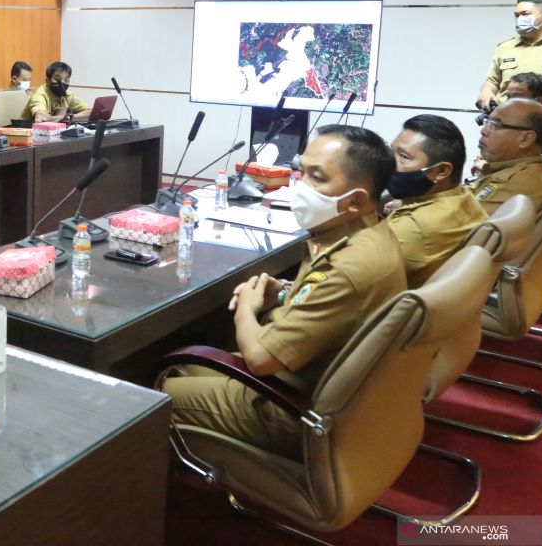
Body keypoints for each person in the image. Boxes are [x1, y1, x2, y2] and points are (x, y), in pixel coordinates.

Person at [160, 125, 405, 458]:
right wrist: (283, 293)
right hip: (328, 391)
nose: (300, 186)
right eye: (300, 171)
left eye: (317, 178)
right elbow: (334, 306)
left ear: (357, 199)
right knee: (181, 364)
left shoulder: (348, 267)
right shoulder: (368, 232)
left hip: (296, 410)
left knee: (158, 391)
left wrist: (247, 306)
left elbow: (260, 360)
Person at [384, 115, 487, 289]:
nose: (388, 163)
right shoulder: (463, 197)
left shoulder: (412, 228)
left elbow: (341, 277)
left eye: (404, 157)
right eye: (391, 152)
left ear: (441, 171)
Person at [470, 98, 542, 214]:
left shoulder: (520, 186)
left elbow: (460, 227)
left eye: (495, 125)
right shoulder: (523, 166)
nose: (484, 131)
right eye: (487, 122)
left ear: (526, 139)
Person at [477, 0, 542, 110]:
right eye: (516, 15)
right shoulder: (504, 47)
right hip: (506, 119)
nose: (519, 19)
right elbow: (492, 81)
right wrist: (486, 92)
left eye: (525, 14)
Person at [22, 61, 90, 123]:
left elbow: (90, 112)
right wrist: (60, 116)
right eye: (58, 79)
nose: (62, 82)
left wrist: (68, 117)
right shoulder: (40, 94)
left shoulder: (67, 95)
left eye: (66, 79)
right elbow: (41, 117)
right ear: (48, 81)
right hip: (27, 132)